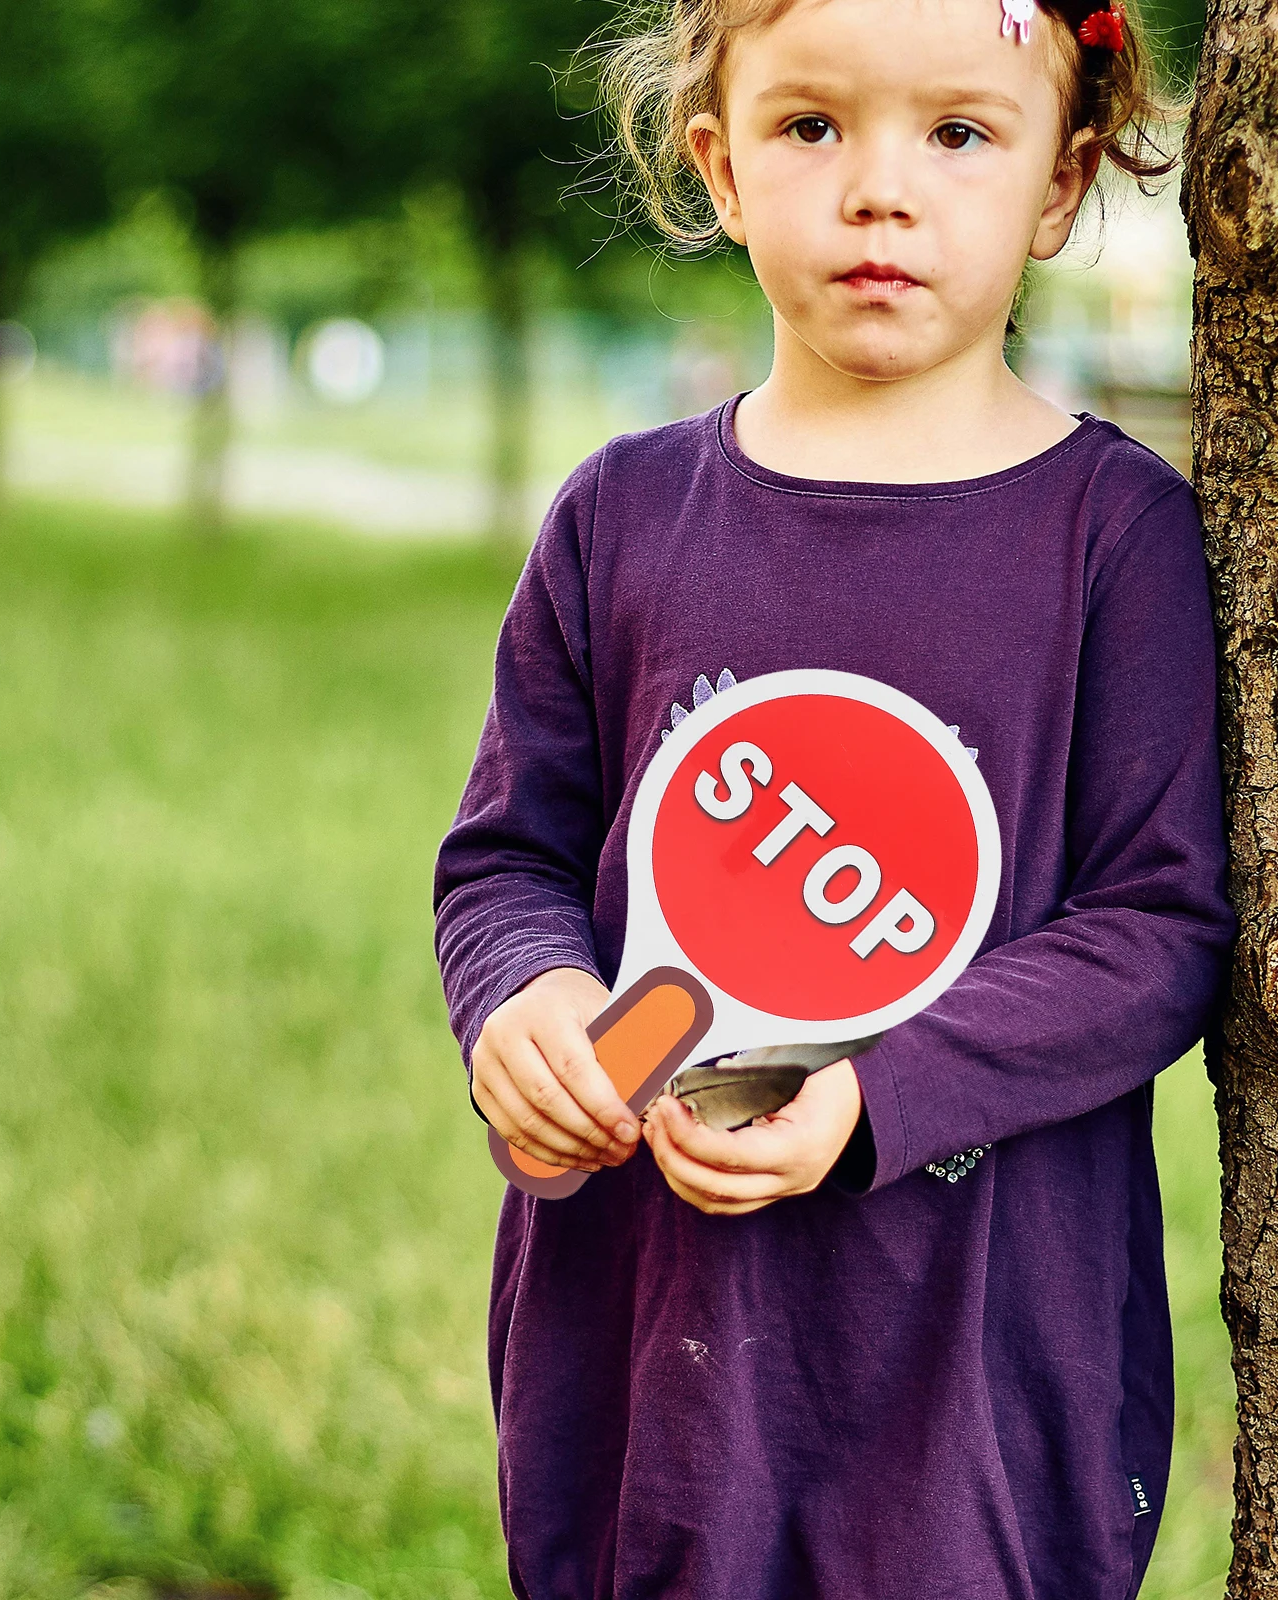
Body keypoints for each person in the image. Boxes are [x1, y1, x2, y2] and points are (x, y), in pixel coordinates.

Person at [433, 0, 1234, 1593]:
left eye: (958, 133)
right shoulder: (623, 517)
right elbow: (510, 856)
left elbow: (1160, 928)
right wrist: (525, 1002)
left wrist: (881, 1092)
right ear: (719, 167)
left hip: (970, 1365)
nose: (882, 191)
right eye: (812, 128)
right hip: (652, 1336)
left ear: (1063, 184)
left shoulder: (1115, 536)